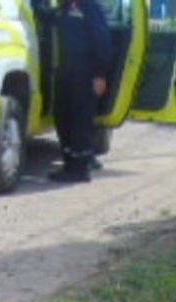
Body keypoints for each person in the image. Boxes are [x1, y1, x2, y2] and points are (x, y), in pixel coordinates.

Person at [49, 0, 114, 183]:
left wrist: (100, 74)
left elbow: (102, 41)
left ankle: (80, 169)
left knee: (80, 120)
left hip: (86, 73)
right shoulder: (66, 7)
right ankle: (70, 164)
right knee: (64, 118)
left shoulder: (89, 8)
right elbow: (53, 19)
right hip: (67, 71)